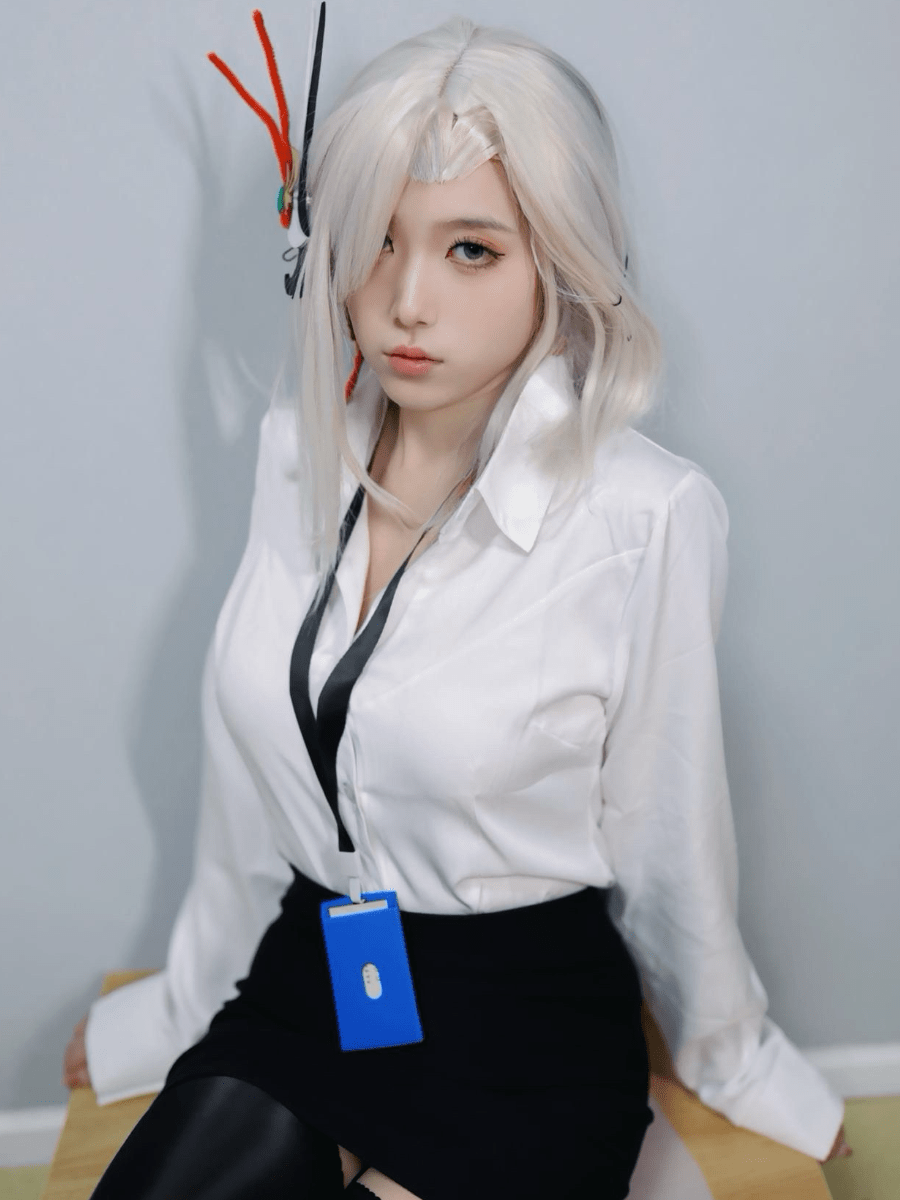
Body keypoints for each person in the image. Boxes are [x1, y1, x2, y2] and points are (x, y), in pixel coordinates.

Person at [63, 14, 851, 1199]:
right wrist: (178, 1006)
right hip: (318, 977)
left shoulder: (647, 517)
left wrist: (734, 1057)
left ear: (560, 261)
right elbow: (250, 776)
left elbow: (670, 830)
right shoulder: (295, 454)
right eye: (375, 240)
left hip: (522, 1023)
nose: (405, 300)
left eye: (471, 249)